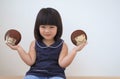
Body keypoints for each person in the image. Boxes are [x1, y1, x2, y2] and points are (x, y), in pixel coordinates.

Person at [6, 7, 87, 79]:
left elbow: (62, 64)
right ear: (38, 28)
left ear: (58, 28)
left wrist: (74, 51)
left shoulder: (62, 45)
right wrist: (18, 49)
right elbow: (30, 61)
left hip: (56, 75)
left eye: (51, 27)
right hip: (35, 73)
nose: (47, 31)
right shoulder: (34, 43)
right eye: (43, 27)